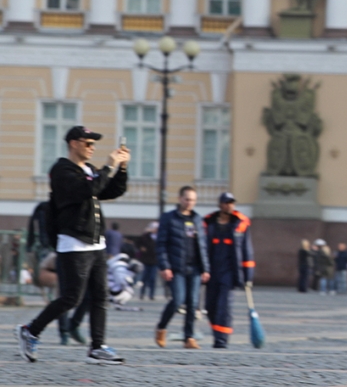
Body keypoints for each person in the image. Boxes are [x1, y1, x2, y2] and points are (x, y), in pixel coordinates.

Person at [16, 126, 129, 365]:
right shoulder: (62, 170)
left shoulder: (89, 170)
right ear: (73, 144)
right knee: (71, 298)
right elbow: (88, 190)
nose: (92, 148)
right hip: (74, 242)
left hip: (95, 242)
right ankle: (31, 330)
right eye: (88, 143)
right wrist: (108, 165)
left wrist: (122, 167)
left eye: (94, 144)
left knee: (101, 296)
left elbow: (112, 190)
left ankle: (97, 347)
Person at [154, 186, 210, 350]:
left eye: (193, 200)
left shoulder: (197, 219)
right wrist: (164, 266)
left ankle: (189, 337)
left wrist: (206, 268)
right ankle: (161, 327)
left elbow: (202, 246)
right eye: (187, 199)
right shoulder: (169, 218)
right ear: (180, 199)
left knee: (193, 303)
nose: (189, 203)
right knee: (178, 300)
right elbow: (161, 244)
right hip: (176, 267)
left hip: (195, 268)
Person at [203, 192, 254, 349]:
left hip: (230, 273)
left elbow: (247, 251)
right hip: (211, 271)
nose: (230, 205)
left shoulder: (241, 224)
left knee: (223, 307)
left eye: (232, 202)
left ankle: (221, 340)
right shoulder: (208, 223)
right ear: (220, 205)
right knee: (210, 307)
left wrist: (248, 276)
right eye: (227, 203)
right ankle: (218, 333)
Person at [136, 222, 159, 300]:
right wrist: (141, 248)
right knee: (144, 278)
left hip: (155, 260)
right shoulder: (145, 236)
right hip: (146, 260)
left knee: (152, 278)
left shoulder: (159, 237)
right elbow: (137, 243)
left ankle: (151, 295)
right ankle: (142, 293)